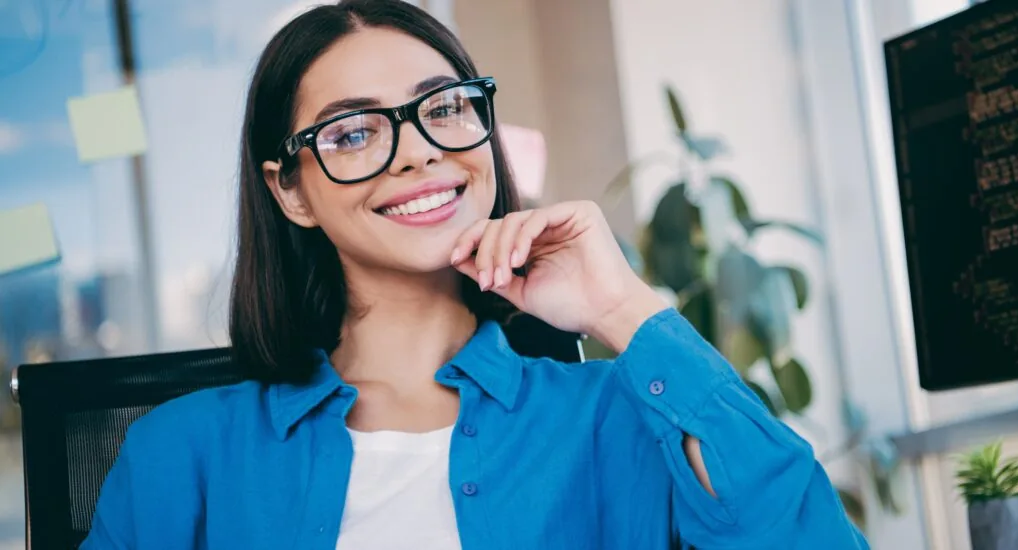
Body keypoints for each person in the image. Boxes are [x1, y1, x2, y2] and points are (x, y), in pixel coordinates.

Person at [81, 1, 869, 548]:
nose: (422, 150)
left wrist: (621, 304)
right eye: (353, 132)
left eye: (445, 107)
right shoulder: (177, 456)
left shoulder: (617, 418)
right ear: (290, 191)